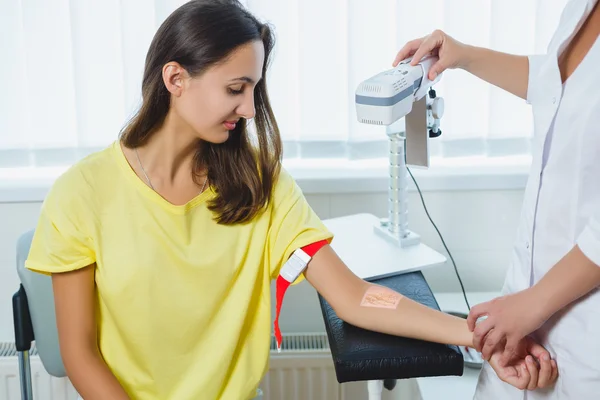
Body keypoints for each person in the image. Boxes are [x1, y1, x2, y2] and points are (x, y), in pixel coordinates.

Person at [25, 1, 556, 399]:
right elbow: (80, 353)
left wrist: (477, 337)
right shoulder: (83, 193)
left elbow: (354, 297)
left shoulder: (261, 186)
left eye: (255, 89)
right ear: (175, 79)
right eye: (236, 88)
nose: (251, 109)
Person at [393, 0, 600, 398]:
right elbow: (555, 85)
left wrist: (532, 305)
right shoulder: (581, 8)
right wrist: (463, 56)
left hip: (582, 338)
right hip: (521, 312)